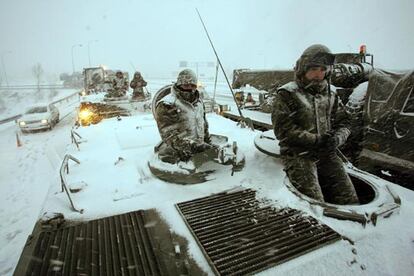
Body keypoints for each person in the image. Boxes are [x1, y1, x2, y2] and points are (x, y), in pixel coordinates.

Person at [272, 44, 359, 205]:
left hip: (327, 153)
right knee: (315, 205)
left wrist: (336, 139)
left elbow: (345, 123)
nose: (318, 74)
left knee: (349, 198)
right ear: (303, 69)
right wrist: (315, 140)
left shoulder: (331, 93)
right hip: (298, 154)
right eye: (313, 69)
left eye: (322, 69)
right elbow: (283, 131)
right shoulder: (287, 94)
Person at [154, 69, 213, 164]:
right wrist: (193, 146)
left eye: (193, 85)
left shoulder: (199, 102)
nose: (189, 88)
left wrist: (208, 144)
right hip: (178, 156)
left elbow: (204, 125)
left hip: (200, 153)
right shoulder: (167, 104)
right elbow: (168, 135)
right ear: (179, 84)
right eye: (186, 85)